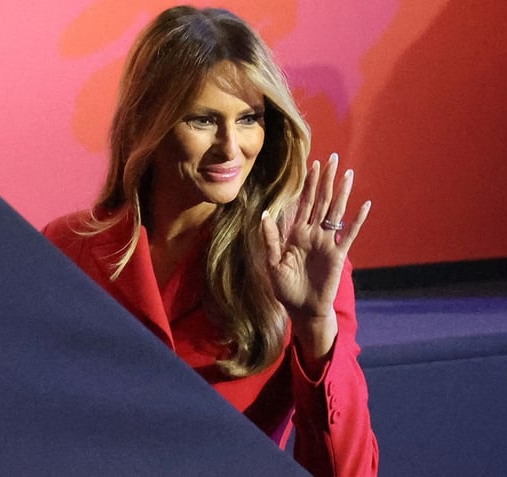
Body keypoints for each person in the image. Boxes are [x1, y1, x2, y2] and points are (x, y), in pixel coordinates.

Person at [42, 6, 378, 476]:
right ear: (148, 122)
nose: (231, 146)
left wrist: (316, 326)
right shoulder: (67, 249)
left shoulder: (296, 266)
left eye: (249, 119)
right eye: (202, 120)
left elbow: (345, 471)